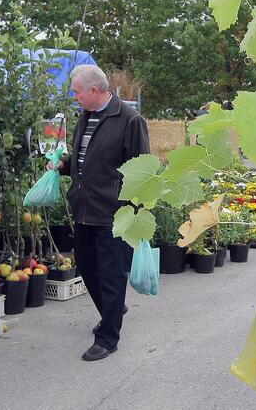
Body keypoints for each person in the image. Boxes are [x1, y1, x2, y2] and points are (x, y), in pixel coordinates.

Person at [56, 64, 150, 361]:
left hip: (114, 214)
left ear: (94, 91)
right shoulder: (86, 117)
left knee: (112, 276)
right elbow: (86, 161)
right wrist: (64, 165)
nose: (75, 98)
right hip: (85, 208)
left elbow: (143, 169)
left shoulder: (130, 120)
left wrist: (134, 214)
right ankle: (113, 308)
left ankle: (108, 337)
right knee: (85, 265)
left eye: (77, 92)